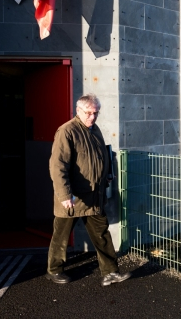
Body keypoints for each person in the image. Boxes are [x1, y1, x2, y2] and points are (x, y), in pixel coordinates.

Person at [46, 93, 131, 286]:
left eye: (96, 113)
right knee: (61, 236)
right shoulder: (66, 131)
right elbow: (57, 166)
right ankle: (54, 270)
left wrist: (107, 175)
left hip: (93, 196)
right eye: (88, 113)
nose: (92, 117)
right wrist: (65, 195)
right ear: (78, 111)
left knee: (101, 233)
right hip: (73, 197)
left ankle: (110, 272)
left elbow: (102, 156)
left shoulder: (95, 129)